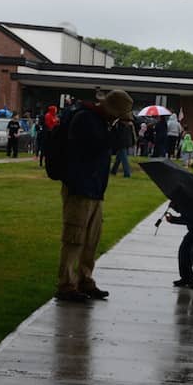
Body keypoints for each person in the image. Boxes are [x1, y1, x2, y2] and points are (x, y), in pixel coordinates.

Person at [55, 89, 134, 302]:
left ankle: (84, 279)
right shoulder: (85, 119)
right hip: (79, 187)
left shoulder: (100, 121)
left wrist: (119, 129)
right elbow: (102, 145)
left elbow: (115, 145)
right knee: (75, 237)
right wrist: (119, 131)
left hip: (95, 188)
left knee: (91, 239)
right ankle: (67, 284)